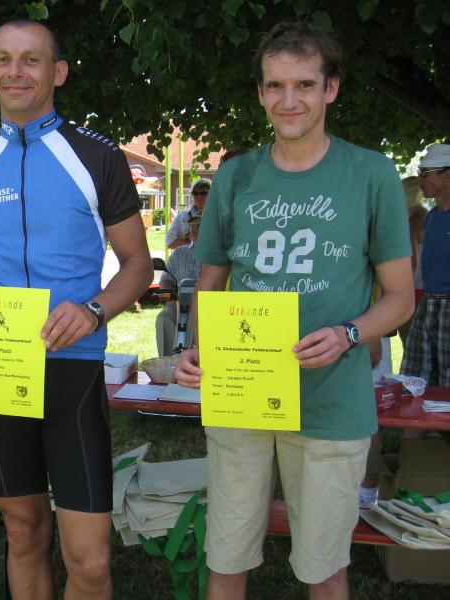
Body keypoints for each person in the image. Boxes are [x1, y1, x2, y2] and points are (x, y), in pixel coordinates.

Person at [175, 22, 413, 599]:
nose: (289, 100)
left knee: (324, 568)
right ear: (260, 93)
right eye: (275, 85)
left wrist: (349, 333)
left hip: (331, 400)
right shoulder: (236, 175)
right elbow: (211, 281)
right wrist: (195, 348)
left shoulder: (371, 173)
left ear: (331, 88)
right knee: (226, 556)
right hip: (243, 391)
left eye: (305, 84)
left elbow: (401, 298)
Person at [0, 19, 152, 600]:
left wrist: (94, 311)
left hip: (72, 363)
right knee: (23, 531)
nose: (15, 71)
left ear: (59, 72)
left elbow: (138, 265)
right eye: (3, 59)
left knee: (91, 562)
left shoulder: (96, 157)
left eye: (31, 59)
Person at [400, 145, 450, 386]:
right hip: (428, 303)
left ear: (447, 175)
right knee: (415, 379)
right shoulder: (431, 217)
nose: (419, 180)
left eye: (424, 173)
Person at [156, 214, 202, 356]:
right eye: (192, 226)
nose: (195, 229)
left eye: (199, 226)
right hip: (178, 302)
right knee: (164, 317)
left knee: (195, 321)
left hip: (205, 305)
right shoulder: (179, 252)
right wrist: (169, 298)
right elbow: (166, 279)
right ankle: (167, 362)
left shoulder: (216, 255)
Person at [397, 176, 427, 345]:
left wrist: (400, 296)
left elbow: (413, 265)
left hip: (415, 291)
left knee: (411, 344)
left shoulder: (412, 223)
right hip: (432, 289)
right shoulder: (431, 216)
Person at [165, 178, 210, 249]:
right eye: (195, 193)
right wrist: (193, 243)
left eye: (204, 193)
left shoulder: (220, 216)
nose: (199, 196)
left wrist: (185, 240)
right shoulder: (182, 216)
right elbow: (170, 242)